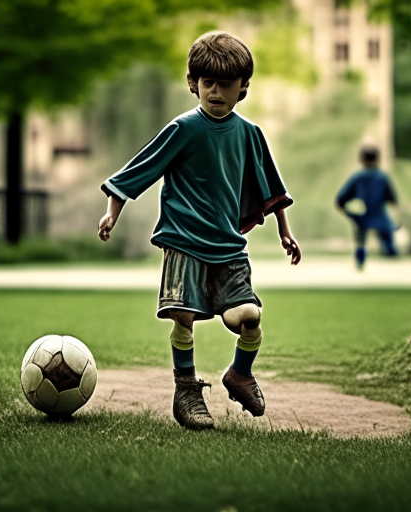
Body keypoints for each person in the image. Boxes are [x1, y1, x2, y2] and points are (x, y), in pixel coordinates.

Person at [97, 32, 300, 430]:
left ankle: (239, 374)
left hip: (228, 246)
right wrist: (112, 211)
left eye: (226, 84)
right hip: (184, 240)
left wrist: (284, 231)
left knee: (248, 317)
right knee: (183, 315)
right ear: (194, 83)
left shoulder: (250, 134)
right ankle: (186, 390)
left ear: (243, 87)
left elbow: (271, 187)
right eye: (208, 82)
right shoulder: (183, 129)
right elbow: (141, 168)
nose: (216, 91)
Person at [335, 145, 399, 269]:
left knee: (361, 240)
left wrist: (346, 209)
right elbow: (392, 199)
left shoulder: (358, 177)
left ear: (362, 159)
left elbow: (341, 197)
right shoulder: (382, 177)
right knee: (387, 237)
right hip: (379, 214)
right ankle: (391, 256)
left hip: (363, 215)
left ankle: (360, 259)